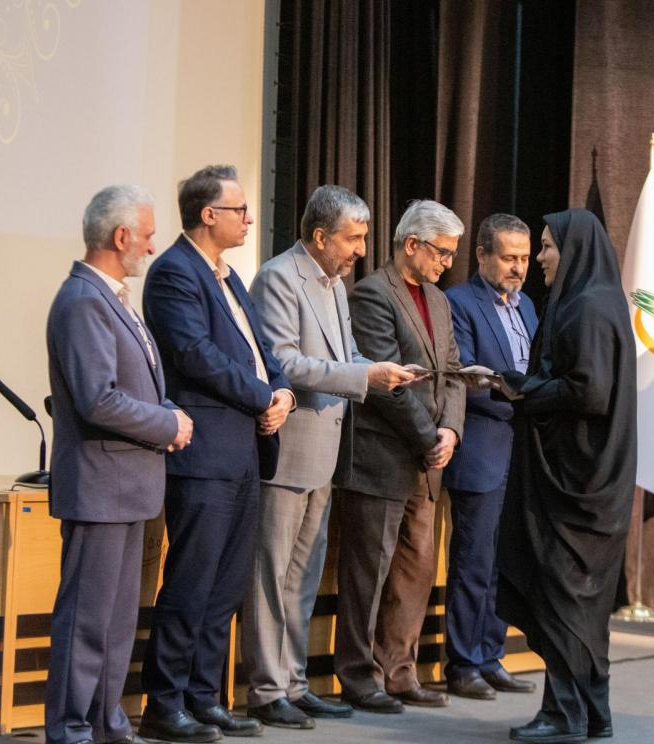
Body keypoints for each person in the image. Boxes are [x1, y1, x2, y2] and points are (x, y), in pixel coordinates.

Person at [241, 185, 417, 730]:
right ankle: (266, 690)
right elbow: (285, 363)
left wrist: (384, 372)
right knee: (271, 579)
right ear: (320, 237)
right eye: (353, 238)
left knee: (302, 578)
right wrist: (365, 376)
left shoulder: (335, 284)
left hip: (325, 453)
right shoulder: (278, 277)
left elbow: (347, 354)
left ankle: (294, 684)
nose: (361, 250)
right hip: (288, 452)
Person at [139, 165, 293, 742]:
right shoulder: (173, 272)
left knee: (226, 585)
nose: (249, 220)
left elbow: (261, 350)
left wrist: (283, 392)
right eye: (240, 210)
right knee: (191, 581)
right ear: (209, 215)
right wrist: (261, 396)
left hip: (246, 451)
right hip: (203, 454)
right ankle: (164, 703)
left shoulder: (229, 276)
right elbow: (195, 354)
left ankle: (204, 697)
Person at [44, 184, 193, 744]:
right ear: (121, 235)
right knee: (86, 621)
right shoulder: (84, 300)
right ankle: (71, 729)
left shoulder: (113, 298)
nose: (152, 247)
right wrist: (167, 425)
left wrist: (169, 411)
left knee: (114, 624)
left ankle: (107, 724)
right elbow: (98, 399)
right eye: (148, 236)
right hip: (100, 487)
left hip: (128, 486)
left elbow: (139, 385)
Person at [495, 208, 636, 744]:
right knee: (578, 601)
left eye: (548, 247)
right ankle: (591, 713)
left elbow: (589, 392)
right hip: (585, 477)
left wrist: (523, 390)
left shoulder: (589, 308)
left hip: (578, 485)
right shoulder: (593, 301)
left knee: (564, 595)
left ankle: (565, 716)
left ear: (574, 251)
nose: (540, 259)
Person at [333, 199, 466, 713]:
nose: (447, 263)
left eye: (451, 254)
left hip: (428, 462)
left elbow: (453, 371)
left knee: (414, 571)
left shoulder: (440, 300)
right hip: (383, 456)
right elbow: (386, 385)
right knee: (368, 573)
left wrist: (450, 430)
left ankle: (400, 672)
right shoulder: (373, 294)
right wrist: (429, 437)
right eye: (441, 252)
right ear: (411, 244)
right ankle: (358, 676)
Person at [441, 214, 538, 700]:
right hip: (481, 446)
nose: (518, 267)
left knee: (505, 562)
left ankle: (490, 656)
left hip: (521, 451)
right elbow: (464, 376)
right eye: (508, 257)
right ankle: (462, 664)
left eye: (524, 258)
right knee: (473, 562)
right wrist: (520, 392)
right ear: (481, 255)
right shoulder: (460, 302)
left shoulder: (528, 307)